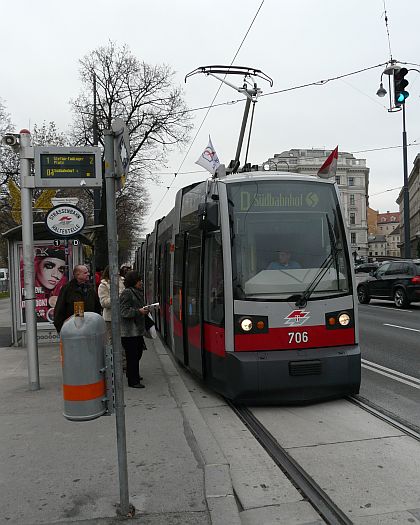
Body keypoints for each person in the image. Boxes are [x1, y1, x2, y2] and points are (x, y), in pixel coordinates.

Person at [119, 270, 149, 389]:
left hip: (136, 330)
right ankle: (133, 380)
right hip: (129, 332)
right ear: (133, 281)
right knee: (132, 355)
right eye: (139, 280)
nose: (141, 282)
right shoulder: (127, 293)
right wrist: (139, 311)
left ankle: (133, 374)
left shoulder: (136, 291)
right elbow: (124, 311)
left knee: (137, 354)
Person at [53, 264, 101, 333]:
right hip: (72, 329)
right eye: (85, 273)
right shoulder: (67, 289)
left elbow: (97, 307)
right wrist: (61, 329)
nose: (88, 274)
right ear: (77, 274)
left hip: (89, 328)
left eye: (88, 272)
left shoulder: (90, 288)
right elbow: (60, 308)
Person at [25, 247, 68, 323]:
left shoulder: (64, 289)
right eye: (49, 266)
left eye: (61, 270)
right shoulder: (25, 294)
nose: (55, 275)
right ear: (36, 265)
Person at [98, 264, 125, 343]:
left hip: (123, 317)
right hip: (110, 319)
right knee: (113, 341)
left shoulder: (123, 281)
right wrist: (118, 297)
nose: (118, 274)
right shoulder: (103, 285)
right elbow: (104, 303)